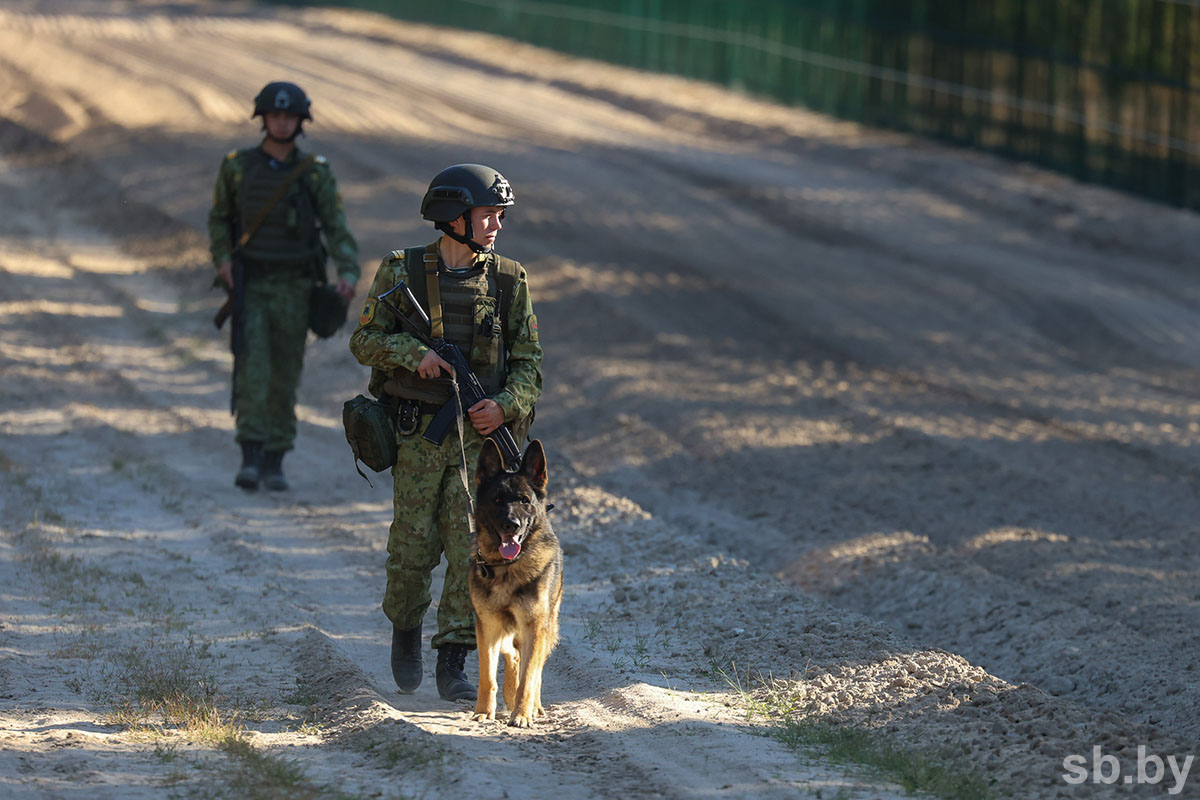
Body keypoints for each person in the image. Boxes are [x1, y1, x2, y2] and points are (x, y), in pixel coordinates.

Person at [349, 164, 542, 701]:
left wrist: (504, 407)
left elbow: (530, 364)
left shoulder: (508, 280)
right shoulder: (401, 271)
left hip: (479, 448)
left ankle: (454, 659)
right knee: (411, 550)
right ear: (454, 218)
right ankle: (405, 631)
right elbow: (364, 340)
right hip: (416, 438)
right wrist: (416, 355)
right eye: (488, 215)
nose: (497, 225)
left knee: (472, 552)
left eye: (500, 216)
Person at [208, 81, 359, 491]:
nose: (281, 121)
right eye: (275, 115)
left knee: (285, 373)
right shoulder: (237, 167)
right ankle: (250, 457)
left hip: (296, 288)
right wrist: (222, 261)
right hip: (251, 286)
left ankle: (276, 459)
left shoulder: (315, 173)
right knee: (252, 370)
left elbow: (336, 227)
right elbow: (220, 219)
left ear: (300, 122)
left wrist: (348, 272)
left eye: (288, 116)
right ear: (263, 119)